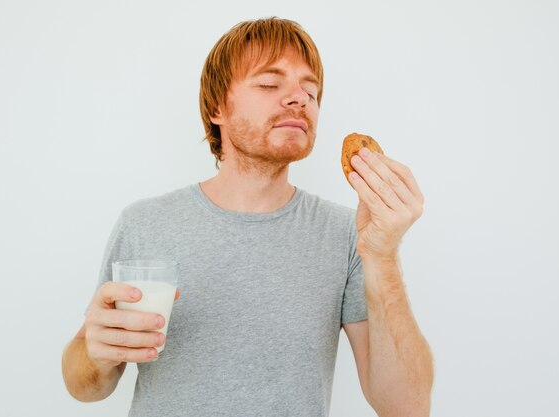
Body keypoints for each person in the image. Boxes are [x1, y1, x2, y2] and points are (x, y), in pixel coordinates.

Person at [62, 17, 434, 417]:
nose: (300, 99)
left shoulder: (350, 234)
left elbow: (406, 408)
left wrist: (382, 253)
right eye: (270, 84)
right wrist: (96, 356)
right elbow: (83, 387)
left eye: (311, 90)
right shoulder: (145, 223)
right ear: (218, 107)